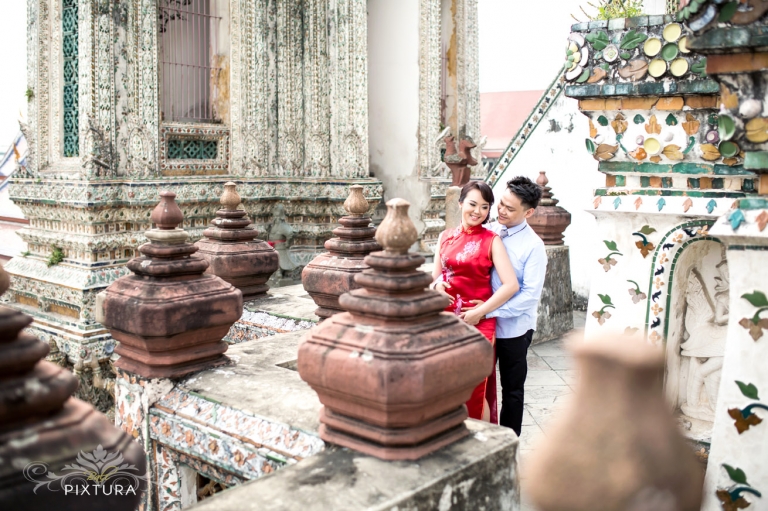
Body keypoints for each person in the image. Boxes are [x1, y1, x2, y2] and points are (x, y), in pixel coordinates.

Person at [462, 176, 547, 435]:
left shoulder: (534, 247)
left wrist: (487, 309)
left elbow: (529, 297)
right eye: (500, 204)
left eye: (510, 209)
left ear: (529, 212)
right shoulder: (492, 231)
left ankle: (509, 440)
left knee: (511, 388)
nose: (501, 211)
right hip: (482, 323)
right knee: (477, 384)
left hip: (513, 329)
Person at [432, 181, 520, 422]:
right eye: (472, 204)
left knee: (474, 386)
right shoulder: (445, 236)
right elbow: (435, 275)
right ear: (461, 204)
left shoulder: (492, 240)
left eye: (484, 207)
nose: (477, 211)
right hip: (445, 318)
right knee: (445, 382)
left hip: (477, 320)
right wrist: (438, 286)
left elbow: (511, 285)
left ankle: (478, 443)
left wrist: (480, 312)